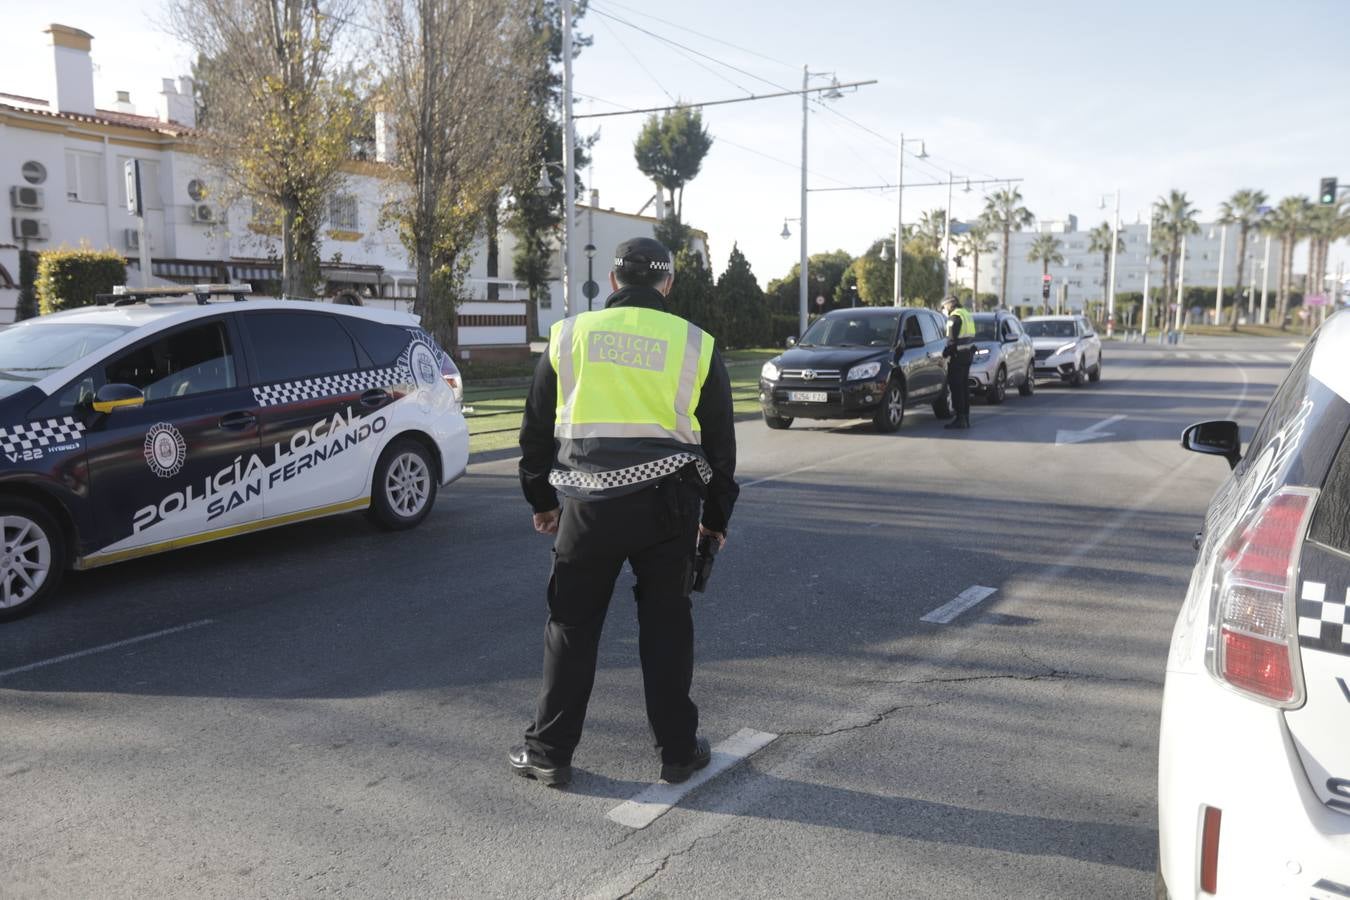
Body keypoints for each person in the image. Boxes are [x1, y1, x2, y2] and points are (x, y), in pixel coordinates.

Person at [511, 237, 739, 788]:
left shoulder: (568, 336)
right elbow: (721, 450)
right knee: (666, 626)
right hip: (670, 510)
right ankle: (678, 752)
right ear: (667, 285)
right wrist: (716, 520)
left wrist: (541, 501)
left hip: (586, 508)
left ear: (613, 281)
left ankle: (549, 753)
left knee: (570, 626)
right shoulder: (695, 344)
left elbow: (536, 431)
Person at [941, 295, 976, 429]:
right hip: (967, 356)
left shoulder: (954, 317)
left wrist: (945, 353)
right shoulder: (966, 314)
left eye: (944, 306)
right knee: (964, 388)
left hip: (957, 357)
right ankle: (965, 418)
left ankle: (959, 418)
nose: (944, 309)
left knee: (956, 388)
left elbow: (951, 340)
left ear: (950, 305)